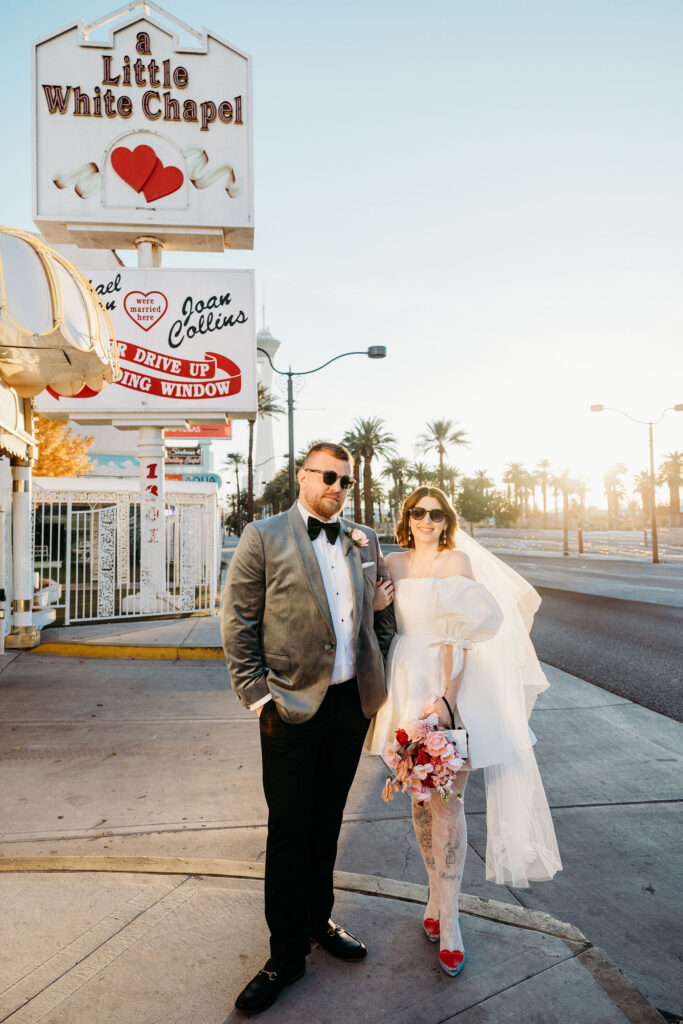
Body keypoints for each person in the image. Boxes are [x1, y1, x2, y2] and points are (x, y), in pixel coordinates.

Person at [221, 441, 395, 1015]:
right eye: (326, 476)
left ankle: (319, 921)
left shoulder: (363, 538)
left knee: (327, 822)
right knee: (290, 831)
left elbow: (380, 616)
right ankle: (284, 956)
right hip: (289, 709)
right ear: (302, 477)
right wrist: (259, 700)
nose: (336, 488)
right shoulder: (263, 535)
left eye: (345, 480)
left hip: (350, 706)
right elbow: (238, 621)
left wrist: (379, 671)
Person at [366, 486, 562, 977]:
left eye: (435, 513)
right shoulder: (392, 564)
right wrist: (373, 606)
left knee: (447, 799)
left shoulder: (457, 563)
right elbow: (378, 626)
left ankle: (450, 919)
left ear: (446, 520)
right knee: (418, 795)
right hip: (404, 677)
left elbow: (463, 636)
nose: (426, 520)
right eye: (418, 512)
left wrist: (448, 700)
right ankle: (435, 901)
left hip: (450, 684)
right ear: (405, 517)